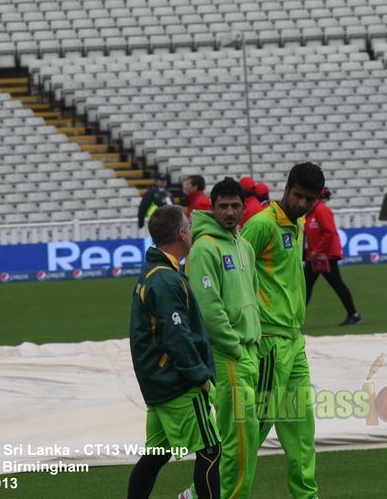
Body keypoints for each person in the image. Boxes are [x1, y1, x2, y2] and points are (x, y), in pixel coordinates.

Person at [241, 162, 323, 499]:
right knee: (251, 432)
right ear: (286, 189)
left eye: (310, 200)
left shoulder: (297, 223)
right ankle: (206, 492)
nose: (303, 204)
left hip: (294, 340)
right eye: (299, 196)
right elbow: (235, 273)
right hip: (269, 343)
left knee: (302, 430)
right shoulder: (262, 224)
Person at [128, 206, 220, 499]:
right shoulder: (167, 279)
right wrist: (200, 376)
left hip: (157, 383)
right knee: (211, 450)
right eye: (189, 228)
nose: (192, 233)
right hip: (177, 384)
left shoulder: (154, 273)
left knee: (156, 454)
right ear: (182, 233)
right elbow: (176, 335)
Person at [186, 178, 262, 499]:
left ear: (244, 208)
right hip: (229, 358)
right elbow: (209, 308)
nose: (229, 212)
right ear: (212, 208)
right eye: (223, 206)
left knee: (242, 440)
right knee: (239, 446)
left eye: (235, 206)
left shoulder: (243, 245)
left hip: (248, 354)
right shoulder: (205, 248)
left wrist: (254, 343)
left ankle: (194, 495)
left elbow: (252, 297)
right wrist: (234, 347)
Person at [304, 187, 362, 326]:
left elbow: (329, 233)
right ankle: (353, 314)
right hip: (318, 256)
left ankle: (354, 314)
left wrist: (316, 251)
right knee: (307, 286)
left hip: (325, 256)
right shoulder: (313, 211)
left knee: (310, 286)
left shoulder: (321, 210)